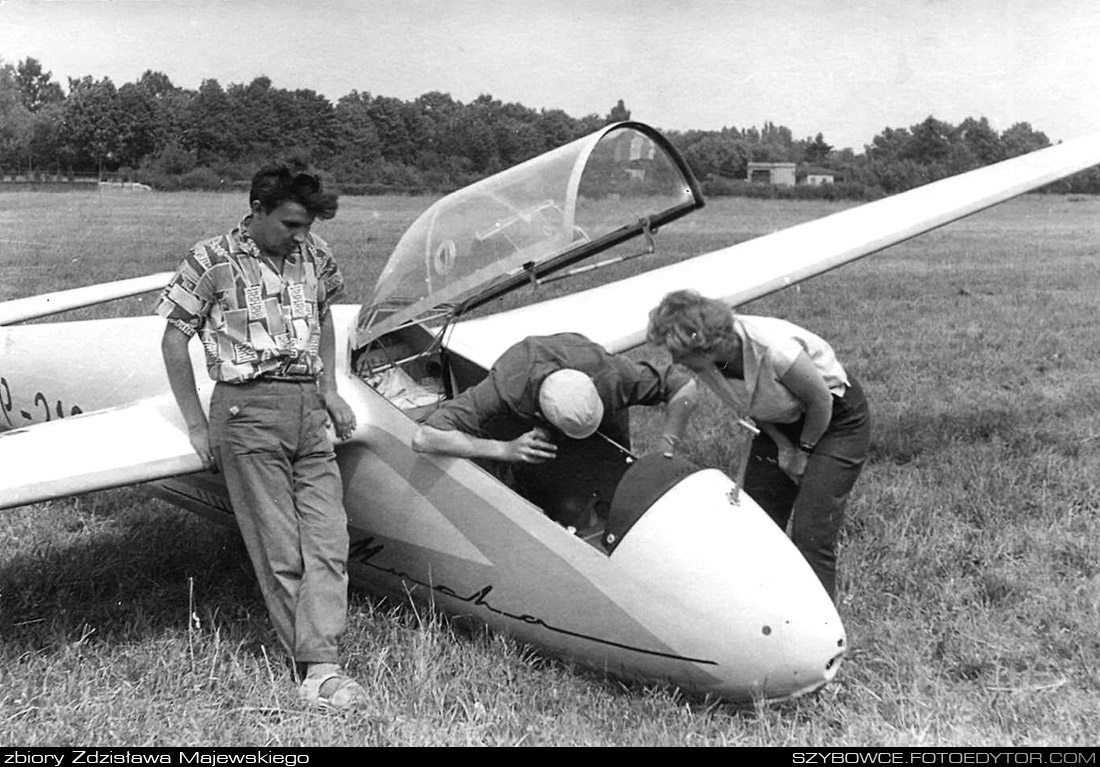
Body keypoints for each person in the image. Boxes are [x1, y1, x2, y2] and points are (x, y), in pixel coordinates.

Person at [156, 163, 367, 710]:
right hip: (246, 412)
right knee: (281, 548)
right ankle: (319, 669)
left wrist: (331, 389)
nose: (302, 235)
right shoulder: (211, 259)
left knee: (329, 539)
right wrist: (198, 425)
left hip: (306, 409)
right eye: (291, 224)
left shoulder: (314, 254)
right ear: (256, 210)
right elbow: (174, 342)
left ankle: (319, 657)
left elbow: (323, 320)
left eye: (308, 224)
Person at [646, 290, 870, 602]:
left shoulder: (775, 349)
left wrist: (802, 451)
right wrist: (782, 447)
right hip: (777, 422)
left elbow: (820, 401)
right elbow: (752, 405)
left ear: (707, 344)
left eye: (680, 353)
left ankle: (821, 628)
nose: (675, 362)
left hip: (833, 421)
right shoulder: (708, 363)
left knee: (811, 532)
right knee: (759, 524)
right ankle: (767, 606)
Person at [412, 332, 698, 528]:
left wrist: (667, 445)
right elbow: (426, 436)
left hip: (590, 390)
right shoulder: (508, 387)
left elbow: (685, 386)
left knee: (614, 481)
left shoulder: (612, 376)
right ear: (538, 413)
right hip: (526, 398)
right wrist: (505, 449)